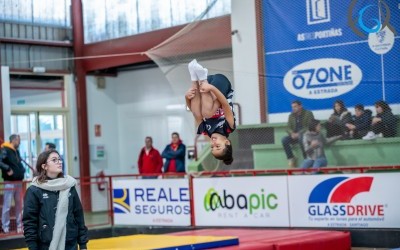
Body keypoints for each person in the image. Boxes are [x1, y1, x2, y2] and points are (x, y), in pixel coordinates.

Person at [23, 149, 88, 250]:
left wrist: (83, 244)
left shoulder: (69, 185)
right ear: (44, 166)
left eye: (59, 159)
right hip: (45, 245)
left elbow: (79, 216)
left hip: (70, 243)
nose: (59, 162)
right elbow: (30, 222)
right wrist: (32, 246)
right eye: (54, 160)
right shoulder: (34, 190)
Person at [186, 59, 235, 165]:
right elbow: (225, 103)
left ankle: (194, 77)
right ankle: (202, 77)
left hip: (205, 88)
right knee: (207, 113)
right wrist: (211, 87)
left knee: (198, 113)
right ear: (227, 142)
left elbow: (194, 113)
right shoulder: (229, 127)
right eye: (217, 146)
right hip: (221, 85)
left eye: (212, 147)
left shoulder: (205, 131)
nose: (213, 143)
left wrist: (187, 97)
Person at [1, 134, 25, 234]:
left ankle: (20, 226)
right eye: (18, 140)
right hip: (9, 182)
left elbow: (19, 163)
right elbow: (0, 162)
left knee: (19, 205)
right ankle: (5, 226)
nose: (19, 142)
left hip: (18, 182)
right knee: (7, 205)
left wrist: (22, 170)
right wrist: (7, 169)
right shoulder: (5, 149)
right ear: (13, 140)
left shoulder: (16, 151)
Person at [281, 100, 314, 168]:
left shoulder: (308, 113)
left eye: (295, 106)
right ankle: (291, 158)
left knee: (301, 138)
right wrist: (292, 133)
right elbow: (288, 127)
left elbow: (310, 126)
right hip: (295, 136)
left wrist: (299, 133)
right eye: (292, 107)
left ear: (300, 106)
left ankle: (306, 158)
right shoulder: (291, 115)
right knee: (284, 139)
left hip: (305, 135)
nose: (293, 108)